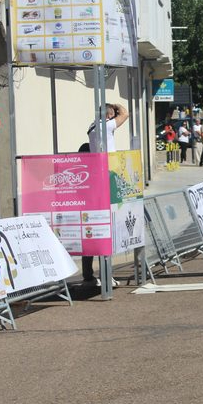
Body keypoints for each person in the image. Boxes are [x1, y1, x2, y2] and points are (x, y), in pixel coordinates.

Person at [83, 102, 127, 288]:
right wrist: (117, 107)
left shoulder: (92, 127)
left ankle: (89, 274)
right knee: (106, 229)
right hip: (108, 174)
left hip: (96, 177)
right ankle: (106, 274)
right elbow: (125, 113)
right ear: (109, 116)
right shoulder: (106, 125)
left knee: (92, 228)